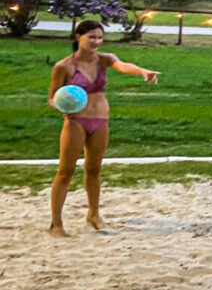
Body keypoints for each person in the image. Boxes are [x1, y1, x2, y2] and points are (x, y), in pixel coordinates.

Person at [47, 20, 159, 236]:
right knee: (65, 171)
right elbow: (52, 97)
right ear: (77, 37)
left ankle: (94, 214)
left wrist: (142, 71)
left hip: (100, 121)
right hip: (76, 122)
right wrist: (61, 107)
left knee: (94, 169)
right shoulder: (63, 66)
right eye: (91, 37)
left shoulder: (104, 60)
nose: (96, 41)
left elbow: (122, 65)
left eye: (99, 37)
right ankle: (56, 223)